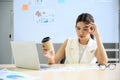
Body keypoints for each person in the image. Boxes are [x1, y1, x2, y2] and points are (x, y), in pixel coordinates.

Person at [42, 13, 108, 65]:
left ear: (92, 29)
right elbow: (53, 62)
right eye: (78, 28)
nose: (81, 32)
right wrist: (51, 57)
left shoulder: (95, 45)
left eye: (85, 29)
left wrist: (97, 35)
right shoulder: (68, 42)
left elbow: (103, 62)